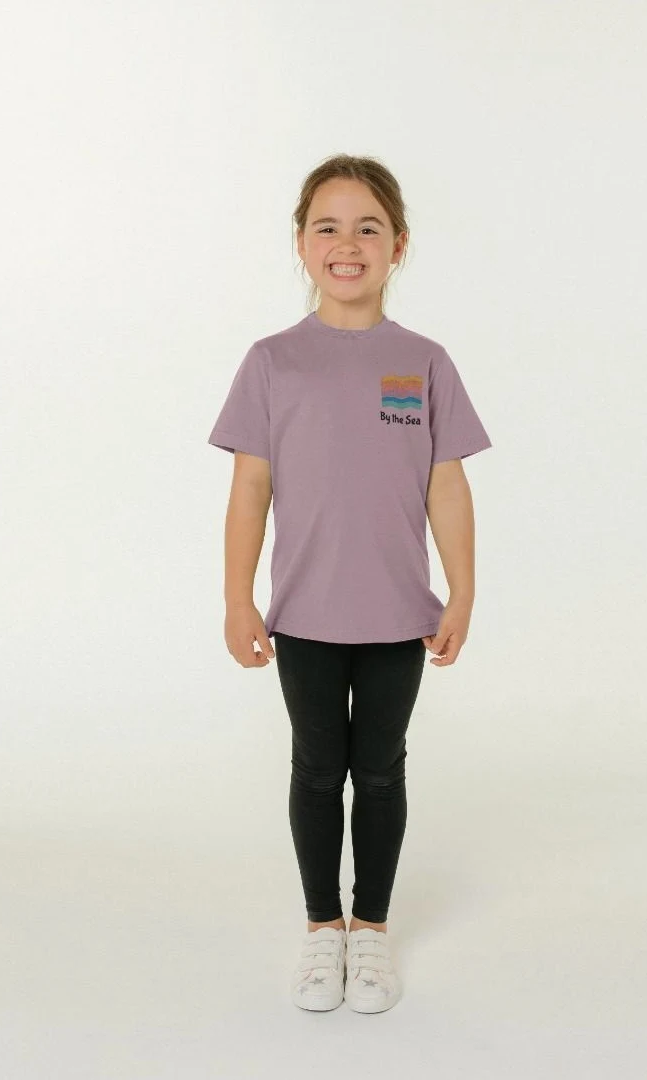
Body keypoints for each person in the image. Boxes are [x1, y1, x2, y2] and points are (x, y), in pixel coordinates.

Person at [207, 153, 492, 1013]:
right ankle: (321, 927)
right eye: (327, 227)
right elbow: (250, 488)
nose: (348, 244)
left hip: (399, 615)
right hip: (303, 616)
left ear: (398, 245)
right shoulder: (273, 362)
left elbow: (447, 483)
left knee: (380, 771)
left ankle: (370, 930)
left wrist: (462, 591)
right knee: (315, 768)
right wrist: (238, 598)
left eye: (369, 227)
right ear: (301, 243)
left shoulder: (423, 362)